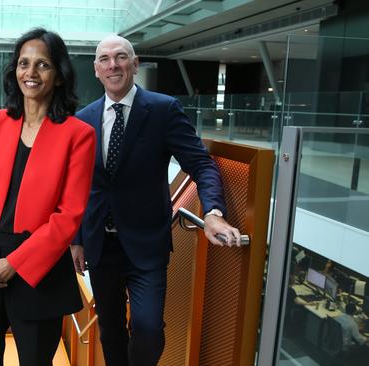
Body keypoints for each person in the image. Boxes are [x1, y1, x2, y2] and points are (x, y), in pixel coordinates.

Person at [71, 35, 242, 366]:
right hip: (100, 246)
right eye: (104, 59)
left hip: (146, 245)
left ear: (135, 65)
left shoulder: (163, 109)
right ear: (95, 69)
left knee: (148, 328)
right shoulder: (83, 119)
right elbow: (79, 187)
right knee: (110, 329)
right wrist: (76, 239)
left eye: (121, 57)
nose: (113, 65)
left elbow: (202, 165)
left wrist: (214, 213)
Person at [0, 28, 96, 366]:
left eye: (42, 65)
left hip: (40, 267)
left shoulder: (79, 135)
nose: (30, 73)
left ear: (59, 75)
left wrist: (16, 263)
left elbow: (69, 216)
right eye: (24, 63)